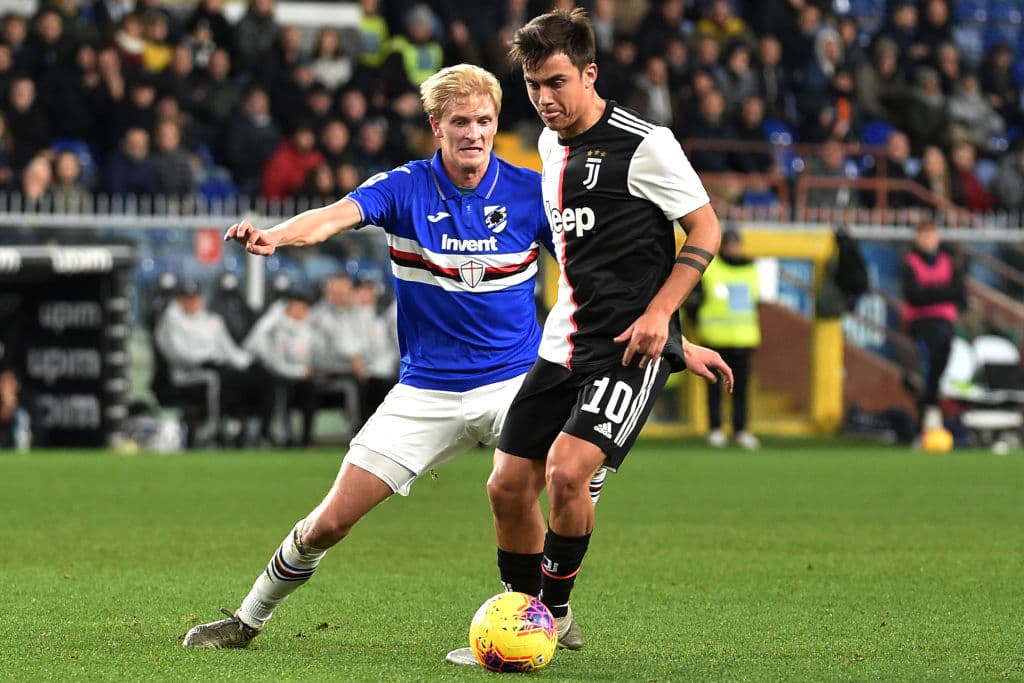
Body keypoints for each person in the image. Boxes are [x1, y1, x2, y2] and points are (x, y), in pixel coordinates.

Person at [181, 63, 604, 648]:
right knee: (331, 520)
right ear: (436, 125)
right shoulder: (404, 187)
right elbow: (332, 218)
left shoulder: (532, 194)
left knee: (532, 486)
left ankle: (542, 619)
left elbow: (592, 273)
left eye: (484, 120)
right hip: (426, 390)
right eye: (459, 121)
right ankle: (247, 619)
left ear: (497, 123)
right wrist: (277, 235)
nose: (473, 133)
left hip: (515, 384)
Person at [446, 8, 733, 665]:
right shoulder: (548, 145)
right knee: (505, 486)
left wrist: (664, 322)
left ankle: (552, 611)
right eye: (532, 85)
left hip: (630, 346)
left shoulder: (646, 143)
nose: (544, 99)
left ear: (590, 73)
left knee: (568, 471)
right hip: (564, 341)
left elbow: (707, 230)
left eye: (555, 82)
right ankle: (520, 618)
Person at [691, 229, 762, 450]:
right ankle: (715, 428)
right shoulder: (712, 269)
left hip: (744, 339)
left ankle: (740, 429)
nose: (734, 248)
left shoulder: (752, 270)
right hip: (715, 340)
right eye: (731, 244)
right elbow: (695, 302)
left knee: (741, 388)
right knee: (714, 387)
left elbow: (755, 303)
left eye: (736, 244)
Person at [900, 220, 966, 437]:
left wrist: (930, 292)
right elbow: (914, 296)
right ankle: (927, 410)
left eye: (932, 235)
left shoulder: (948, 261)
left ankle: (928, 408)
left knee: (940, 361)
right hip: (920, 324)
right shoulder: (910, 263)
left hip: (945, 323)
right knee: (926, 364)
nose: (929, 240)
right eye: (925, 235)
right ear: (917, 238)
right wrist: (942, 292)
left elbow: (958, 293)